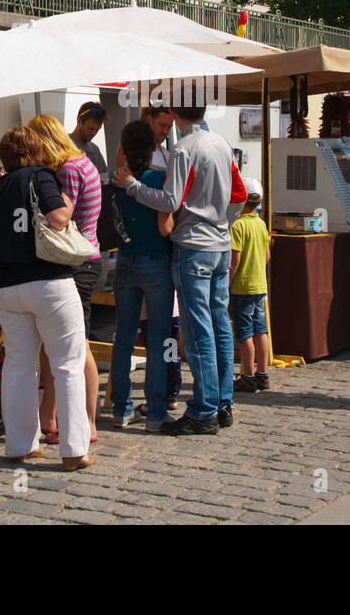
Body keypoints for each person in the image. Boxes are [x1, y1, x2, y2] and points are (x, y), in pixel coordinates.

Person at [115, 85, 248, 436]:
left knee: (198, 328)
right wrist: (224, 222)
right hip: (219, 242)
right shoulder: (220, 143)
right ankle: (222, 401)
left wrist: (131, 186)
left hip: (193, 245)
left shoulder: (184, 149)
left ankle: (203, 409)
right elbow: (241, 195)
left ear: (174, 111)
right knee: (220, 325)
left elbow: (169, 200)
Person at [0, 126, 93, 471]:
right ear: (36, 151)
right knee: (67, 364)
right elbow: (58, 219)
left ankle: (20, 445)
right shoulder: (41, 176)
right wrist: (68, 202)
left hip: (8, 286)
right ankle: (74, 450)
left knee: (18, 366)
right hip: (49, 283)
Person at [28, 114, 102, 444]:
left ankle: (87, 421)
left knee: (78, 345)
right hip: (87, 259)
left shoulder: (69, 170)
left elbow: (62, 219)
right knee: (65, 344)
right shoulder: (81, 162)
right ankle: (51, 417)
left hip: (77, 262)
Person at [108, 120, 177, 431]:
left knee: (123, 337)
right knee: (160, 338)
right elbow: (166, 227)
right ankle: (157, 410)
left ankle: (120, 408)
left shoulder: (118, 182)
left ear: (123, 148)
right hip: (156, 261)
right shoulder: (161, 180)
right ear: (152, 149)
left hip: (125, 260)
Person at [230, 178, 271, 393]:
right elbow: (266, 255)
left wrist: (228, 281)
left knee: (244, 333)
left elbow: (234, 260)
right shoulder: (261, 224)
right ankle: (262, 373)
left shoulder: (237, 225)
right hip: (260, 285)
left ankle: (247, 376)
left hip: (243, 287)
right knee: (260, 330)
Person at [70, 101, 108, 173]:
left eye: (97, 130)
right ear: (79, 120)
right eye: (91, 128)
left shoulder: (95, 150)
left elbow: (103, 179)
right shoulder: (63, 145)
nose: (94, 133)